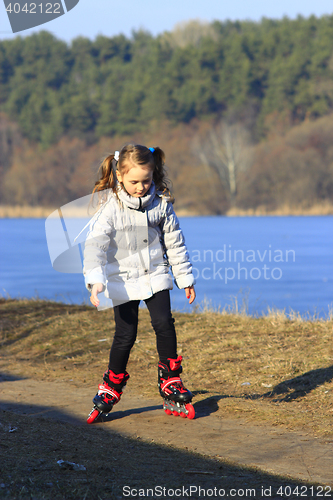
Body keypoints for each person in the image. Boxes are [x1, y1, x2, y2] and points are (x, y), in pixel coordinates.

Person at [83, 144, 196, 423]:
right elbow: (95, 246)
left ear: (154, 175)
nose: (141, 187)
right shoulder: (111, 207)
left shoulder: (161, 205)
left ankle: (170, 379)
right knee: (126, 335)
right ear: (120, 177)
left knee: (164, 324)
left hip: (155, 275)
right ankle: (111, 386)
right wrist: (95, 280)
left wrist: (185, 279)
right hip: (121, 280)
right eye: (134, 182)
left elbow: (175, 244)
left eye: (147, 180)